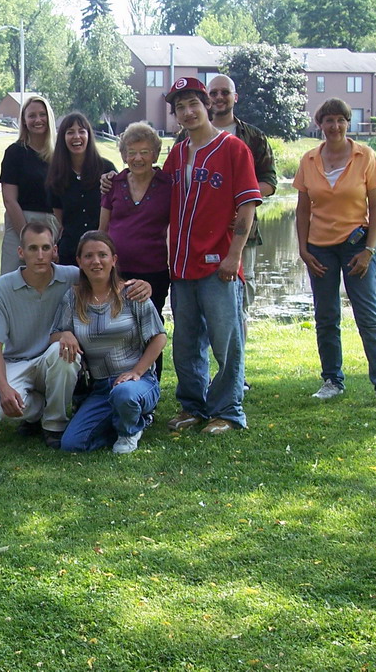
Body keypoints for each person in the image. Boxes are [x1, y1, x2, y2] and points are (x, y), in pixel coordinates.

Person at [0, 222, 154, 447]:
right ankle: (39, 412)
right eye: (33, 248)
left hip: (54, 358)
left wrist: (142, 286)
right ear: (21, 252)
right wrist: (3, 387)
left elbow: (106, 279)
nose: (40, 255)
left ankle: (54, 425)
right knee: (0, 405)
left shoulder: (72, 276)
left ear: (55, 251)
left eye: (46, 248)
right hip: (17, 361)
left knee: (63, 351)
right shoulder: (2, 288)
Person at [161, 77, 261, 435]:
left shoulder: (233, 148)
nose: (188, 112)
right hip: (182, 264)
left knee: (226, 341)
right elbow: (156, 193)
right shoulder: (177, 153)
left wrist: (234, 256)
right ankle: (193, 406)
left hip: (219, 264)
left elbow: (247, 206)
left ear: (207, 106)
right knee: (186, 342)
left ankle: (229, 410)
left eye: (193, 104)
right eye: (180, 107)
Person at [294, 98, 376, 409]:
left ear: (348, 122)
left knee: (368, 316)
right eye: (329, 120)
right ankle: (332, 380)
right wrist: (303, 249)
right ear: (320, 124)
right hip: (319, 248)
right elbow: (302, 210)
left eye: (340, 120)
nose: (335, 126)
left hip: (357, 246)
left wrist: (369, 249)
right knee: (326, 316)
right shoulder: (309, 160)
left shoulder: (365, 156)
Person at [51, 231, 166, 454]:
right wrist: (65, 334)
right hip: (101, 387)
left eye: (102, 255)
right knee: (72, 444)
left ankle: (130, 430)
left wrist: (136, 371)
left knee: (124, 395)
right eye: (88, 256)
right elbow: (54, 335)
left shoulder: (132, 292)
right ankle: (122, 418)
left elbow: (159, 337)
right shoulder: (72, 297)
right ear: (79, 261)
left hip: (137, 381)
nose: (96, 261)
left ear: (113, 260)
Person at [205, 76, 278, 386]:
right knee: (202, 305)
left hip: (241, 234)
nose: (219, 97)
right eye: (214, 93)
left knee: (238, 304)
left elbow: (270, 182)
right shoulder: (190, 134)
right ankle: (207, 373)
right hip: (201, 236)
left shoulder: (254, 137)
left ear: (236, 97)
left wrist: (240, 199)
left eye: (225, 92)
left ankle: (237, 375)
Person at [98, 122, 172, 381]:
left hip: (154, 271)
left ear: (155, 154)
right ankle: (112, 381)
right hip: (117, 270)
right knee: (115, 325)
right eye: (131, 152)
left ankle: (150, 383)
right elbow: (102, 229)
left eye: (144, 152)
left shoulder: (168, 184)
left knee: (151, 328)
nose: (138, 158)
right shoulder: (114, 183)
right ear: (123, 155)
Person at [47, 111, 115, 266]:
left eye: (81, 131)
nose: (76, 137)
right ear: (62, 138)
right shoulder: (56, 174)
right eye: (70, 132)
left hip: (101, 253)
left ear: (89, 135)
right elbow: (61, 218)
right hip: (70, 252)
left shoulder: (106, 168)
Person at [0, 95, 56, 274]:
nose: (38, 120)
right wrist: (26, 236)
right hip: (20, 224)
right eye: (32, 115)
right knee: (13, 283)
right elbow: (9, 200)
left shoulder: (60, 155)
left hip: (53, 227)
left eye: (42, 114)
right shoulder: (15, 152)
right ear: (24, 120)